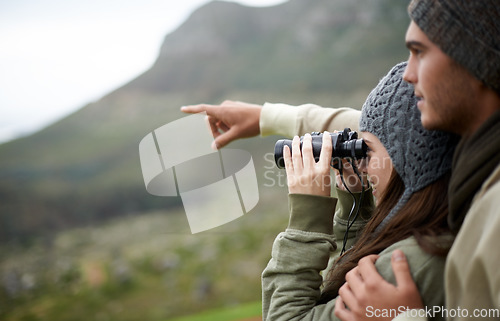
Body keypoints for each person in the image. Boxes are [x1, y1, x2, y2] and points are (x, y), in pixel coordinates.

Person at [333, 1, 500, 320]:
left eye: (419, 51)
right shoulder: (477, 177)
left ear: (476, 59)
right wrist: (265, 117)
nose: (408, 74)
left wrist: (402, 317)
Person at [261, 62, 458, 320]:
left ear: (407, 157)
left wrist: (306, 219)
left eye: (370, 150)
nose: (362, 167)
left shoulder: (408, 263)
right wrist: (355, 203)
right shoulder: (437, 230)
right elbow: (343, 286)